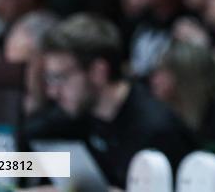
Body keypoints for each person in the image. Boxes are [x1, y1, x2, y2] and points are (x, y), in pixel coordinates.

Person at [38, 13, 195, 187]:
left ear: (98, 72)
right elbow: (23, 162)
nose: (53, 92)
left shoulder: (157, 130)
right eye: (49, 79)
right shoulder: (75, 116)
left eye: (60, 78)